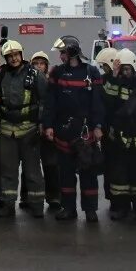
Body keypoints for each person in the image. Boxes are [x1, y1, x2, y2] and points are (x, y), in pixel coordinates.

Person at [42, 36, 104, 222]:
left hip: (86, 132)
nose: (60, 57)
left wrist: (99, 126)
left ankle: (90, 210)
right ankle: (68, 209)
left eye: (63, 53)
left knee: (88, 173)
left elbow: (98, 103)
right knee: (66, 174)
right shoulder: (56, 73)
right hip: (63, 130)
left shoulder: (91, 72)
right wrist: (48, 125)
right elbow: (50, 102)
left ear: (72, 53)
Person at [0, 39, 47, 218]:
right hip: (7, 130)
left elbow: (44, 101)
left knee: (32, 170)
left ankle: (37, 204)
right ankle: (8, 205)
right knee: (7, 170)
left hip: (29, 129)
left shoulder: (35, 75)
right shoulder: (0, 75)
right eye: (9, 56)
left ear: (21, 55)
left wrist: (40, 124)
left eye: (16, 55)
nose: (13, 59)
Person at [104, 49, 136, 221]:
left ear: (134, 67)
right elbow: (106, 104)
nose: (125, 72)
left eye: (128, 69)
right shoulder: (113, 84)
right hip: (118, 139)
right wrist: (113, 76)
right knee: (119, 176)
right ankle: (121, 207)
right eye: (122, 69)